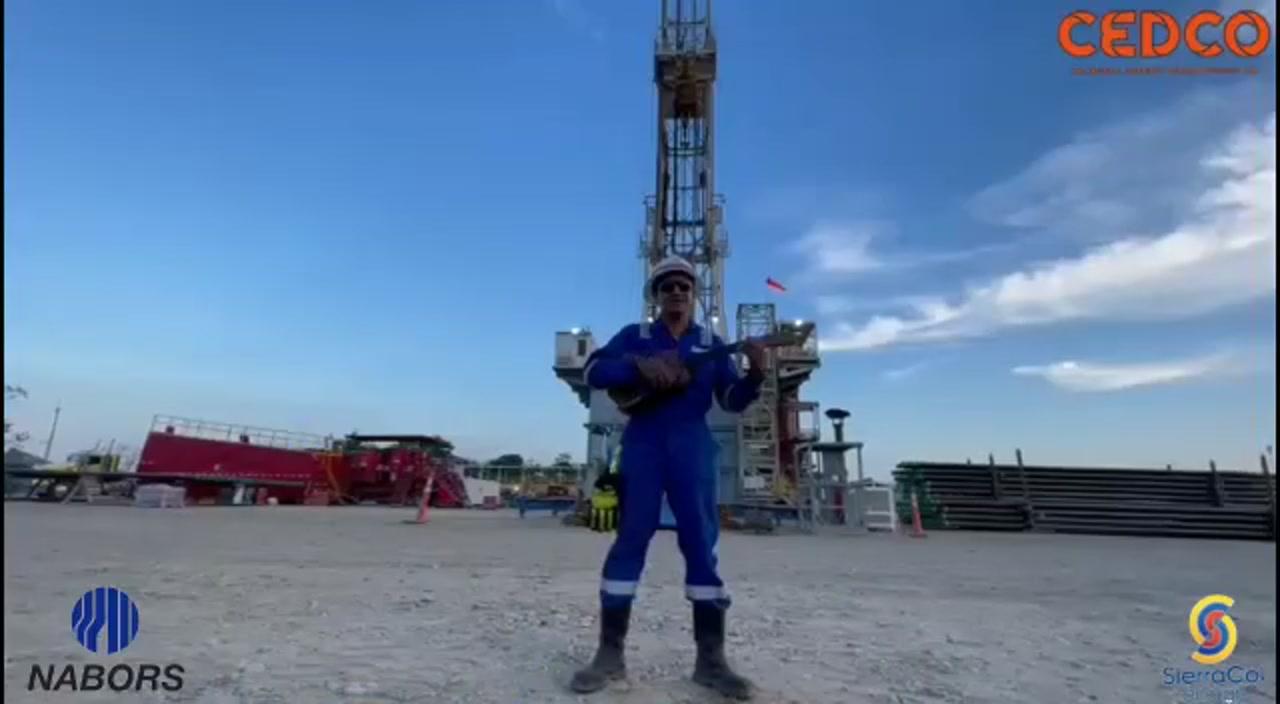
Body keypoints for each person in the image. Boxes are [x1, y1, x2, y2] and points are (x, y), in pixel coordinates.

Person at [570, 255, 766, 700]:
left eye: (684, 286)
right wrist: (638, 367)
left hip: (692, 445)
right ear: (655, 295)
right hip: (643, 443)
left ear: (694, 294)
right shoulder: (635, 336)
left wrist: (755, 374)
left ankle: (711, 662)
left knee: (700, 544)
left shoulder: (711, 343)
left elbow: (732, 400)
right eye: (667, 286)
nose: (676, 292)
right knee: (630, 539)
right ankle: (609, 655)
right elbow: (593, 370)